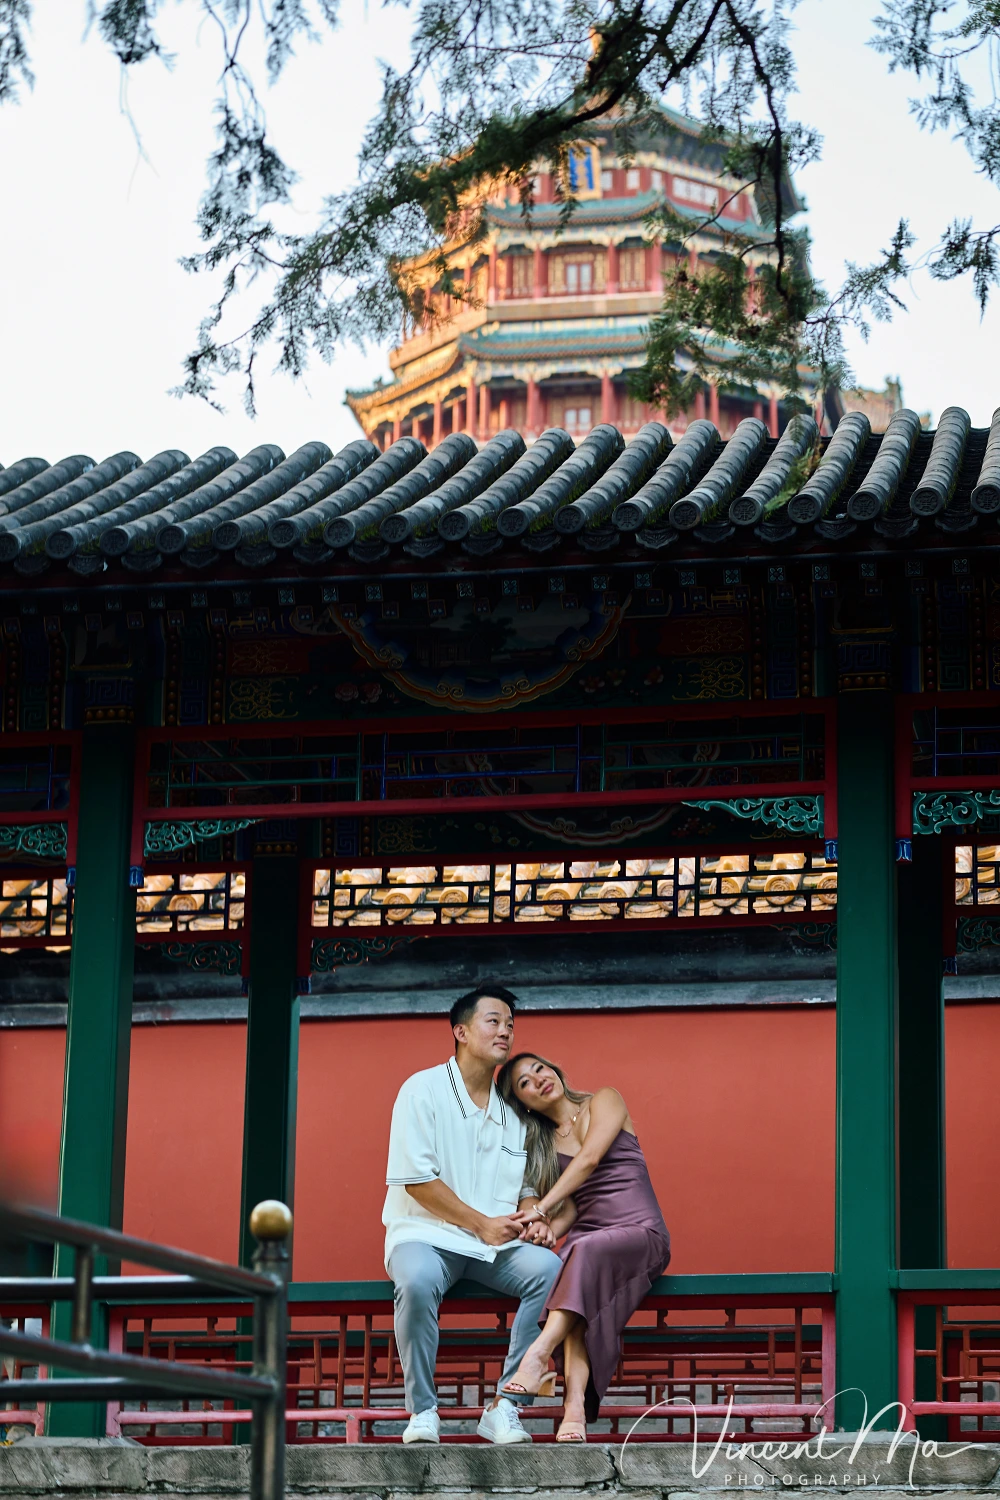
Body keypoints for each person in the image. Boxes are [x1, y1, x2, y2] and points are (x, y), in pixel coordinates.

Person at [383, 986, 562, 1445]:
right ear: (460, 1031)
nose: (505, 1031)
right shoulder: (421, 1089)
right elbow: (416, 1180)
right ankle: (422, 1411)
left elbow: (521, 1184)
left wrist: (531, 1212)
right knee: (418, 1280)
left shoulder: (513, 1117)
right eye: (493, 1021)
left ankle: (506, 1407)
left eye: (510, 1025)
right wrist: (481, 1222)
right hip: (424, 1235)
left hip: (490, 1246)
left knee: (548, 1268)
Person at [495, 1052, 670, 1443]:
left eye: (539, 1068)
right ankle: (573, 1410)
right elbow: (572, 1209)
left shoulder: (604, 1099)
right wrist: (542, 1228)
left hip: (640, 1232)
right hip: (589, 1240)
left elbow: (589, 1160)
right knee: (572, 1268)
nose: (538, 1079)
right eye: (525, 1082)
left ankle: (539, 1354)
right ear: (522, 1103)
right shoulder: (542, 1145)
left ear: (554, 1070)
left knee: (581, 1252)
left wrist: (540, 1206)